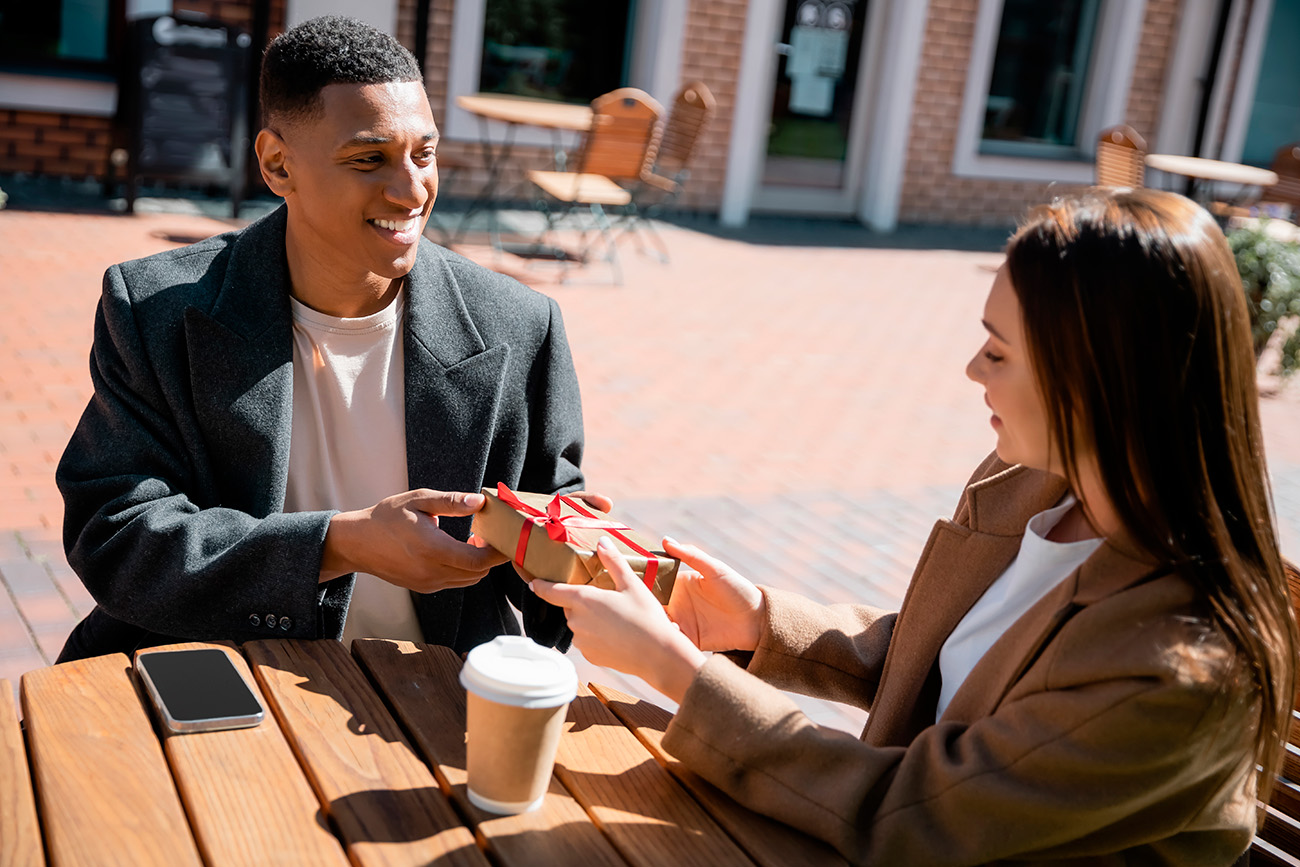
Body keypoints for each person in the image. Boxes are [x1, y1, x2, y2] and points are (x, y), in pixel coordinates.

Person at [531, 187, 1299, 865]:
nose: (972, 369)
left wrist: (677, 671)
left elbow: (910, 814)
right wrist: (764, 625)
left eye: (998, 350)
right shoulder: (1034, 483)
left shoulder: (1178, 664)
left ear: (1098, 378)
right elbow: (960, 660)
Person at [55, 15, 592, 662]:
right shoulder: (155, 310)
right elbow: (117, 534)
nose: (411, 189)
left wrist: (587, 561)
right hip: (220, 671)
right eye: (370, 159)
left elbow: (554, 539)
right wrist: (338, 544)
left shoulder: (520, 323)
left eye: (424, 153)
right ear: (278, 165)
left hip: (438, 688)